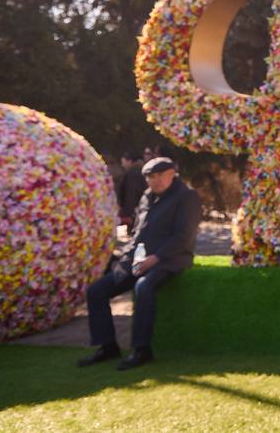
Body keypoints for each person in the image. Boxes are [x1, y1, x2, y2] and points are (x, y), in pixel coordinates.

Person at [77, 156, 201, 371]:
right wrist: (125, 258)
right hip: (138, 259)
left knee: (143, 286)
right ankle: (107, 346)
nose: (155, 181)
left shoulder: (186, 197)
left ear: (172, 173)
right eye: (150, 177)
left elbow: (184, 236)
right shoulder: (147, 197)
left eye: (159, 175)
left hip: (169, 260)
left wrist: (156, 258)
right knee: (96, 291)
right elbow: (138, 233)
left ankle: (142, 350)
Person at [115, 148, 146, 233]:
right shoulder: (141, 171)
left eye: (123, 160)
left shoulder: (133, 174)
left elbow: (131, 194)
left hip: (134, 214)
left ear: (129, 160)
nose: (122, 163)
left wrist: (129, 214)